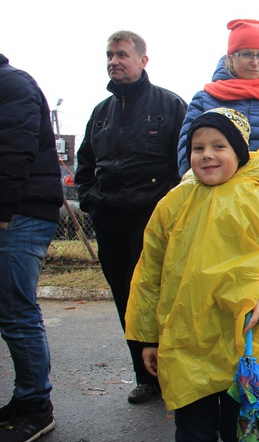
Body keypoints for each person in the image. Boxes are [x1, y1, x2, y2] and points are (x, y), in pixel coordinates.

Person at [125, 108, 259, 442]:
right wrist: (147, 337)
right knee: (192, 437)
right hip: (185, 344)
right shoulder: (172, 205)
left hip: (241, 344)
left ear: (240, 152)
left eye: (218, 146)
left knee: (241, 436)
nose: (207, 155)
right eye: (198, 147)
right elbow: (149, 275)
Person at [177, 20, 259, 433]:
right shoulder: (205, 98)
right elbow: (188, 150)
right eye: (245, 54)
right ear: (230, 58)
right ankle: (226, 388)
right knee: (220, 301)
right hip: (215, 217)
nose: (253, 62)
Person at [75, 31, 186, 404]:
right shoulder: (101, 113)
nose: (114, 61)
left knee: (156, 296)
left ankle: (171, 372)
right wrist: (91, 200)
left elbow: (184, 164)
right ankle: (145, 377)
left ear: (143, 60)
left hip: (152, 218)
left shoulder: (170, 106)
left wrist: (169, 208)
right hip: (109, 218)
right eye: (109, 55)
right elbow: (85, 163)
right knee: (125, 298)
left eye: (122, 54)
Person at [0, 54, 63, 442]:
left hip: (18, 213)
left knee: (16, 309)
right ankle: (25, 398)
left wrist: (2, 210)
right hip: (14, 210)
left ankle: (36, 405)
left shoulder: (13, 84)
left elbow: (13, 149)